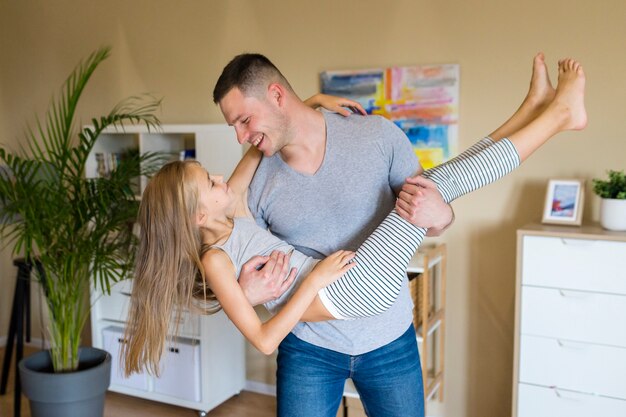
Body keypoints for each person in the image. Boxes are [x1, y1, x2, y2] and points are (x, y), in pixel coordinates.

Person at [207, 52, 586, 417]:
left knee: (441, 182)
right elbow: (241, 264)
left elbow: (436, 212)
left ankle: (539, 110)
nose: (241, 137)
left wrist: (442, 213)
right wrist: (247, 292)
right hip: (309, 347)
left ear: (276, 95)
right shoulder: (255, 181)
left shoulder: (375, 135)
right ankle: (551, 114)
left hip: (389, 338)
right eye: (235, 127)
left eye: (244, 120)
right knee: (445, 179)